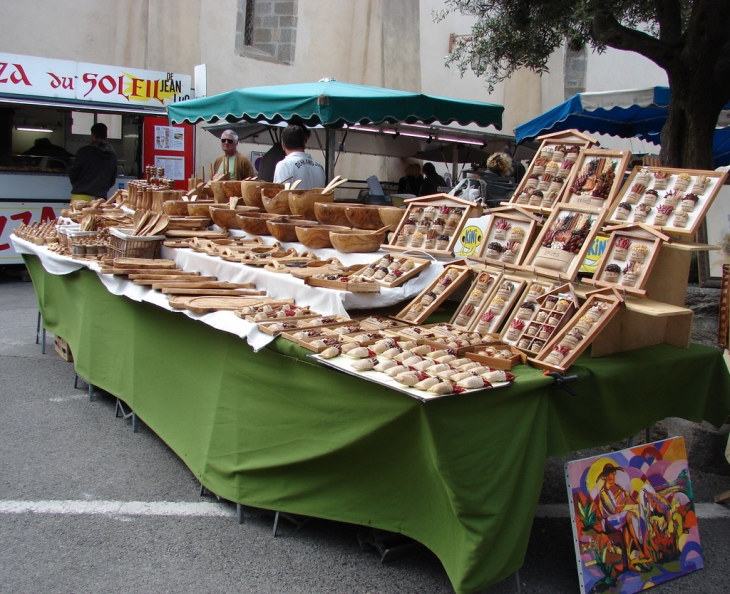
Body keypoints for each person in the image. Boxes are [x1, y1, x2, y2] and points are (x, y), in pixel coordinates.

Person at [68, 123, 117, 201]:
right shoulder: (112, 156)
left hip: (80, 198)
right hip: (100, 200)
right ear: (106, 136)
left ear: (93, 135)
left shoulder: (83, 152)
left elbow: (74, 173)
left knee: (77, 214)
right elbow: (112, 180)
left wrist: (77, 185)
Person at [273, 125, 326, 190]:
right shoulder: (319, 167)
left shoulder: (284, 165)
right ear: (304, 143)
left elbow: (280, 197)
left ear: (283, 145)